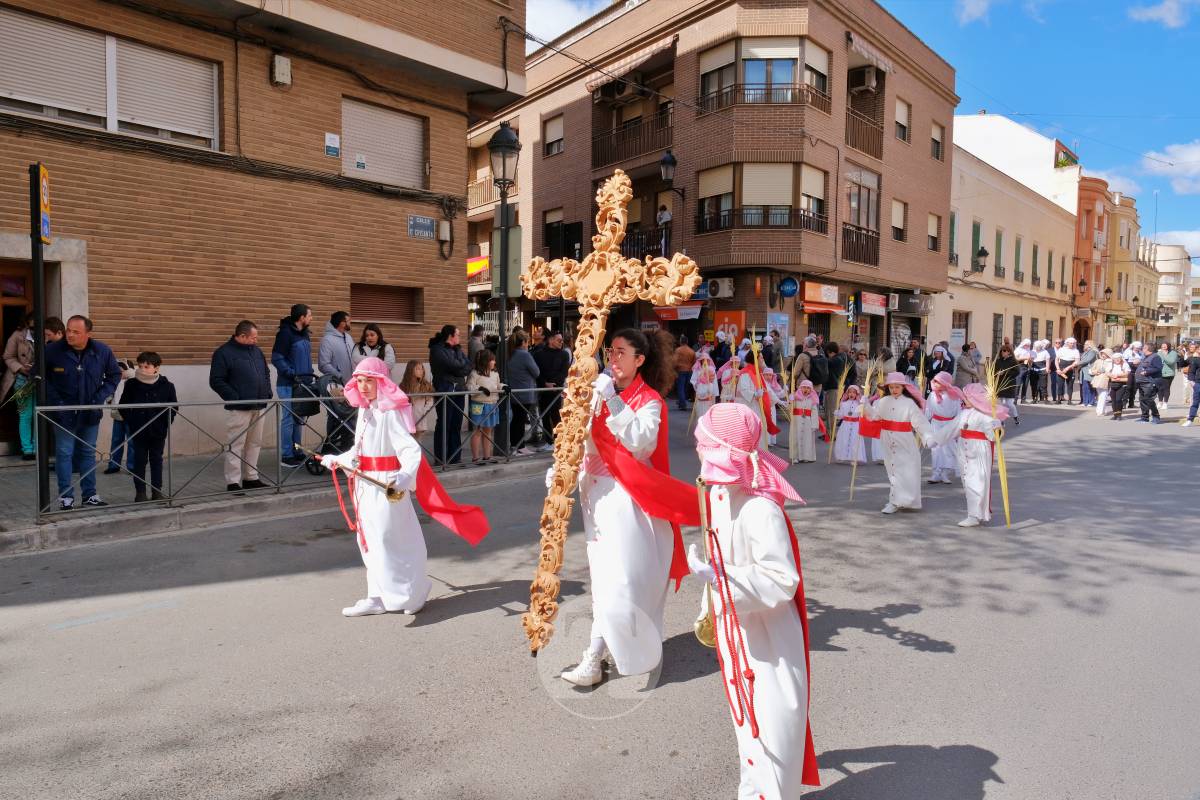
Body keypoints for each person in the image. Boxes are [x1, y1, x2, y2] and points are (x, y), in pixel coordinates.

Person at [688, 403, 820, 795]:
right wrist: (711, 598)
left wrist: (722, 582)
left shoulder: (760, 509)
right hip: (737, 626)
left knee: (772, 725)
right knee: (746, 724)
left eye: (702, 443)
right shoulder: (719, 496)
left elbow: (782, 579)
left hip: (769, 637)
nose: (696, 449)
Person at [558, 328, 690, 687]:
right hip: (595, 498)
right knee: (607, 580)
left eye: (620, 352)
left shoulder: (650, 401)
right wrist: (560, 471)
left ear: (639, 360)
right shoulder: (596, 393)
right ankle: (603, 653)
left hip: (628, 500)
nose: (612, 359)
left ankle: (595, 656)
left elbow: (640, 444)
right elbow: (577, 440)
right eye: (610, 352)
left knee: (621, 582)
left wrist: (613, 402)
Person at [320, 357, 489, 616]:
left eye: (369, 381)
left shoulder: (390, 412)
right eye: (360, 381)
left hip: (387, 485)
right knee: (368, 541)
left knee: (394, 540)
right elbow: (358, 451)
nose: (363, 386)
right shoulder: (366, 411)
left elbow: (410, 450)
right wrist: (338, 459)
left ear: (381, 383)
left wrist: (402, 476)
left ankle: (414, 591)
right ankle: (376, 596)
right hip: (365, 485)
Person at [43, 315, 121, 510]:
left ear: (88, 334)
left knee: (87, 452)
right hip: (63, 413)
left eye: (75, 332)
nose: (70, 334)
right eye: (68, 330)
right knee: (64, 453)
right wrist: (57, 403)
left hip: (90, 413)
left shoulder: (102, 351)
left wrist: (99, 398)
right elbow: (41, 378)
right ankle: (65, 498)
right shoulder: (52, 350)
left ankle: (89, 495)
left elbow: (114, 375)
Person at [209, 320, 273, 492]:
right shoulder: (224, 353)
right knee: (236, 444)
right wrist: (234, 397)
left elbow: (265, 372)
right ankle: (233, 481)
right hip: (239, 407)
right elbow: (216, 380)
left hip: (259, 404)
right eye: (253, 337)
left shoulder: (257, 351)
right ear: (242, 336)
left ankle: (251, 477)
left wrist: (267, 391)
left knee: (255, 443)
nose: (256, 340)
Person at [931, 383, 1006, 528]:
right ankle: (974, 514)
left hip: (979, 451)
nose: (963, 399)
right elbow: (951, 429)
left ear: (976, 398)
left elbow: (993, 436)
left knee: (977, 482)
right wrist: (933, 440)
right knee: (967, 482)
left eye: (967, 397)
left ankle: (975, 515)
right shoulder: (964, 413)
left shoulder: (986, 416)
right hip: (963, 450)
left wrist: (996, 426)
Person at [863, 373, 934, 514]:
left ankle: (903, 500)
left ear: (903, 387)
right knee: (893, 470)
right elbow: (875, 416)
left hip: (904, 440)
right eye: (891, 387)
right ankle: (895, 500)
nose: (894, 389)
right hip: (887, 439)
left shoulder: (909, 403)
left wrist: (928, 436)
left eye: (897, 387)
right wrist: (865, 404)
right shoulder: (883, 402)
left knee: (906, 470)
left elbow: (919, 422)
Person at [117, 352, 177, 502]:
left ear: (156, 368)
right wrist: (132, 421)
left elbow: (174, 408)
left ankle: (157, 491)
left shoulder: (167, 386)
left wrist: (164, 423)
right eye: (140, 366)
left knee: (157, 460)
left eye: (147, 366)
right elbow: (123, 406)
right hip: (138, 430)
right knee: (139, 461)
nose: (142, 369)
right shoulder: (131, 384)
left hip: (158, 431)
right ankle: (140, 493)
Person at [272, 304, 315, 467]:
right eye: (309, 315)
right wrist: (291, 373)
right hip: (288, 384)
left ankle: (297, 451)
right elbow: (277, 358)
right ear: (301, 317)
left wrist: (309, 372)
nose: (311, 318)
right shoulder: (285, 334)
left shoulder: (304, 334)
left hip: (303, 384)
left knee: (299, 419)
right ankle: (286, 455)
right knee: (288, 419)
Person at [428, 324, 472, 465]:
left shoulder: (458, 349)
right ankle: (441, 458)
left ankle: (455, 457)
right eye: (458, 334)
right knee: (444, 423)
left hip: (459, 390)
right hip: (445, 390)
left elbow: (468, 366)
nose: (460, 337)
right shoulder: (437, 350)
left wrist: (459, 367)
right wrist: (460, 367)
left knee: (456, 424)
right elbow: (452, 366)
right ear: (450, 336)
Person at [2, 312, 36, 459]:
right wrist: (21, 368)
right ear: (27, 323)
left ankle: (38, 447)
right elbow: (8, 356)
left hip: (41, 380)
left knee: (39, 414)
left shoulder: (47, 334)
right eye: (32, 324)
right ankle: (28, 450)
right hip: (22, 379)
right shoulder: (17, 335)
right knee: (26, 415)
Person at [533, 330, 570, 450]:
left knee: (556, 415)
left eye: (562, 340)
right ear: (551, 340)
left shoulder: (564, 354)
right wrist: (545, 383)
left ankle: (558, 441)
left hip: (556, 389)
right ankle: (549, 441)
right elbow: (537, 372)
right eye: (559, 340)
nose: (561, 342)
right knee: (544, 414)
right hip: (543, 389)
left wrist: (554, 384)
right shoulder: (539, 354)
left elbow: (564, 372)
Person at [735, 351, 779, 450]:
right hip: (749, 407)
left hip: (757, 407)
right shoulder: (746, 373)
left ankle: (759, 454)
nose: (763, 359)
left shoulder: (758, 373)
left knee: (758, 430)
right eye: (761, 358)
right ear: (755, 359)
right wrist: (755, 394)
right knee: (750, 431)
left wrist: (779, 401)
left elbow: (767, 389)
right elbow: (743, 389)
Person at [466, 349, 503, 465]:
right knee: (477, 431)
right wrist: (480, 389)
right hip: (478, 405)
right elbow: (469, 387)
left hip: (492, 404)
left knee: (488, 431)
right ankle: (475, 458)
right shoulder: (474, 373)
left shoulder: (495, 374)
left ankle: (487, 456)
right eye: (492, 360)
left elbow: (498, 385)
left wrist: (504, 387)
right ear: (485, 361)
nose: (494, 362)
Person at [504, 332, 540, 453]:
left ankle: (515, 445)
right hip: (525, 391)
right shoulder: (525, 355)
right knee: (520, 420)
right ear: (523, 342)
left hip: (514, 391)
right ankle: (520, 446)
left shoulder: (511, 354)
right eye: (527, 342)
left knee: (516, 419)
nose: (528, 344)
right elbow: (536, 372)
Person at [926, 372, 963, 485]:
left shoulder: (954, 396)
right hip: (936, 424)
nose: (936, 384)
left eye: (939, 382)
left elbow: (958, 412)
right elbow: (928, 410)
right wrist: (923, 424)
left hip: (949, 425)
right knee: (936, 449)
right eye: (935, 381)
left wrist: (958, 427)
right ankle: (936, 473)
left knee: (948, 449)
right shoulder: (932, 395)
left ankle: (945, 473)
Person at [102, 358, 137, 475]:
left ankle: (132, 466)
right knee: (116, 440)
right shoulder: (114, 382)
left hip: (131, 416)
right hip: (117, 415)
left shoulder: (134, 381)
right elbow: (109, 395)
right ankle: (113, 465)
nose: (119, 372)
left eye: (121, 370)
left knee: (132, 441)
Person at [398, 359, 434, 436]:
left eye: (422, 368)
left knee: (418, 442)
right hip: (407, 419)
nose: (421, 371)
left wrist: (424, 411)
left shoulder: (425, 385)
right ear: (410, 370)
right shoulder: (403, 386)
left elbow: (430, 401)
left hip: (420, 417)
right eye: (418, 369)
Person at [833, 384, 867, 464]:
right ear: (847, 393)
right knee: (843, 440)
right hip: (845, 425)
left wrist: (861, 403)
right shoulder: (844, 404)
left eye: (854, 392)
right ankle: (842, 456)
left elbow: (863, 413)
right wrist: (838, 409)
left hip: (855, 425)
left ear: (857, 394)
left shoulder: (859, 404)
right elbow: (840, 416)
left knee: (854, 441)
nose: (851, 394)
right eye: (850, 392)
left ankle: (854, 458)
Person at [790, 379, 821, 464]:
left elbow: (814, 413)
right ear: (800, 388)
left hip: (808, 422)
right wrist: (790, 401)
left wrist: (814, 424)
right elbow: (790, 409)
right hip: (797, 421)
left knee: (807, 439)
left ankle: (806, 456)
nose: (806, 390)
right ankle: (795, 456)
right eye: (804, 387)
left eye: (808, 388)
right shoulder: (796, 398)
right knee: (795, 438)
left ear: (811, 390)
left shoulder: (812, 400)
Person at [822, 342, 847, 436]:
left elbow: (826, 361)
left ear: (829, 351)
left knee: (831, 412)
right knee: (829, 411)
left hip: (833, 388)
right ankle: (828, 432)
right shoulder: (839, 358)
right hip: (832, 387)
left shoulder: (837, 359)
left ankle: (831, 434)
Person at [1134, 342, 1163, 424]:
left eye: (1144, 348)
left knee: (1149, 400)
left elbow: (1158, 368)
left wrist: (1147, 372)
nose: (1142, 349)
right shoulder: (1145, 357)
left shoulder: (1155, 357)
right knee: (1142, 400)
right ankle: (1144, 417)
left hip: (1150, 382)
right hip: (1142, 382)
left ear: (1148, 349)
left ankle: (1156, 416)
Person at [993, 343, 1020, 424]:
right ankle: (1002, 420)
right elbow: (994, 371)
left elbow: (1017, 372)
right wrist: (997, 373)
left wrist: (1005, 372)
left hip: (1009, 384)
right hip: (1000, 383)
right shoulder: (998, 361)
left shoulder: (1013, 361)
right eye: (1002, 351)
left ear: (1009, 352)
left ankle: (1015, 416)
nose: (1003, 352)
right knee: (1000, 404)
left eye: (1004, 351)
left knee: (1009, 403)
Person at [689, 350, 718, 419]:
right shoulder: (697, 370)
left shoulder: (712, 370)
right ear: (700, 361)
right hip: (700, 391)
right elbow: (693, 380)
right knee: (700, 410)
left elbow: (715, 382)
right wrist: (698, 385)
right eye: (703, 360)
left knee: (708, 411)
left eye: (707, 360)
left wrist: (715, 393)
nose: (705, 362)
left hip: (710, 392)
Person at [673, 335, 696, 411]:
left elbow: (675, 361)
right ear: (687, 342)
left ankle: (682, 404)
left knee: (680, 388)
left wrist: (673, 369)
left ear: (680, 341)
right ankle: (682, 401)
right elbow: (694, 362)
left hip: (680, 370)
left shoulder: (678, 350)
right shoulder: (691, 351)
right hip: (689, 371)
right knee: (686, 387)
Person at [1055, 337, 1080, 404]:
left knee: (1070, 385)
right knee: (1060, 385)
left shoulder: (1076, 351)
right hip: (1061, 368)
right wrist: (1057, 368)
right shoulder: (1061, 350)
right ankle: (1058, 399)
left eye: (1073, 343)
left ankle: (1069, 400)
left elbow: (1077, 361)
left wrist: (1069, 367)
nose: (1072, 344)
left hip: (1070, 369)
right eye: (1070, 343)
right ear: (1067, 343)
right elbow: (1056, 360)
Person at [1107, 351, 1130, 420]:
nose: (1117, 360)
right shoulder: (1110, 365)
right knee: (1113, 400)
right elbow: (1107, 372)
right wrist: (1112, 375)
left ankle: (1119, 414)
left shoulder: (1125, 365)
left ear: (1121, 358)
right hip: (1113, 383)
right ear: (1113, 359)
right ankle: (1115, 414)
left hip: (1122, 384)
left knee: (1118, 399)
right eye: (1115, 358)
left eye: (1118, 358)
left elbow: (1127, 373)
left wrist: (1118, 375)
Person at [1090, 348, 1113, 417]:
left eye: (1105, 354)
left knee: (1104, 395)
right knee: (1100, 395)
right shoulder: (1098, 361)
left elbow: (1109, 370)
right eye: (1102, 353)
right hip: (1097, 379)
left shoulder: (1111, 362)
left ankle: (1100, 411)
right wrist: (1095, 372)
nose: (1103, 355)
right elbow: (1092, 369)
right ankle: (1102, 410)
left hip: (1106, 380)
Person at [1077, 340, 1100, 407]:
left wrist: (1077, 363)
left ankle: (1091, 401)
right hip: (1084, 371)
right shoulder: (1085, 352)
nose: (1084, 345)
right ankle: (1085, 402)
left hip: (1089, 371)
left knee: (1091, 387)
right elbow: (1082, 360)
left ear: (1089, 345)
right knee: (1084, 387)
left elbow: (1087, 360)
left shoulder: (1093, 352)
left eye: (1085, 344)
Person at [1182, 345, 1200, 426]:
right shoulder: (1195, 359)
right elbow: (1191, 371)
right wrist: (1192, 382)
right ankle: (1190, 419)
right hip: (1198, 383)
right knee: (1195, 402)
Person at [1158, 342, 1178, 409]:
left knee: (1166, 388)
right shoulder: (1159, 353)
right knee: (1160, 388)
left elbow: (1171, 362)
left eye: (1165, 345)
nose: (1163, 346)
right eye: (1162, 345)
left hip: (1169, 373)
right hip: (1160, 373)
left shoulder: (1173, 353)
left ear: (1168, 346)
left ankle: (1165, 403)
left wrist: (1164, 356)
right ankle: (1160, 402)